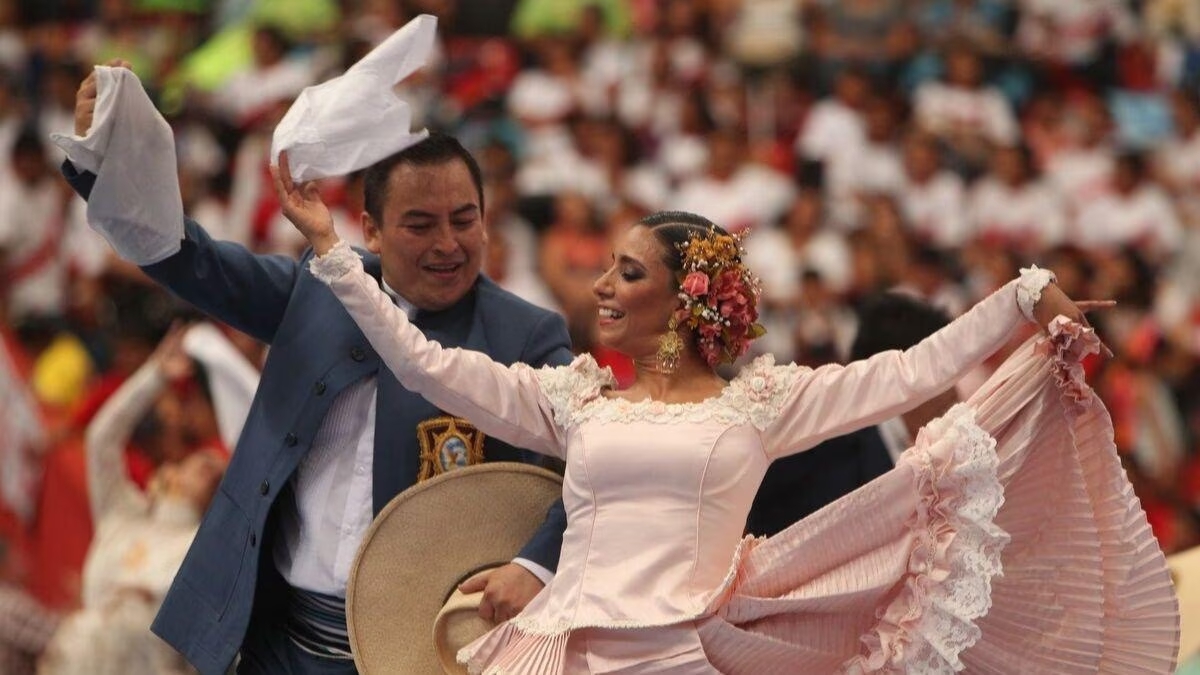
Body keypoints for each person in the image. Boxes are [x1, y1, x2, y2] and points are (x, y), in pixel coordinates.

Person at [279, 150, 1179, 673]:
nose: (600, 283)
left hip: (681, 655)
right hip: (553, 652)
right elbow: (423, 362)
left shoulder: (763, 403)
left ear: (686, 298)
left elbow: (911, 368)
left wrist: (1023, 299)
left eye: (627, 271)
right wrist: (330, 250)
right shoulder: (576, 398)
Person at [62, 64, 572, 675]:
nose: (448, 243)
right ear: (372, 232)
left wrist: (535, 565)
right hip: (274, 638)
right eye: (420, 224)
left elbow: (600, 463)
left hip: (418, 652)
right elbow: (188, 260)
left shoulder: (526, 335)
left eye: (464, 220)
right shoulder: (317, 287)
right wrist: (108, 159)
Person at [38, 323, 227, 675]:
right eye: (202, 463)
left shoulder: (203, 549)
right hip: (79, 658)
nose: (212, 470)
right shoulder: (120, 515)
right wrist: (155, 377)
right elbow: (101, 440)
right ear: (169, 472)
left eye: (219, 475)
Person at [745, 292, 955, 536]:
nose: (956, 391)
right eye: (947, 374)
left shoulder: (943, 455)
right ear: (903, 374)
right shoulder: (812, 451)